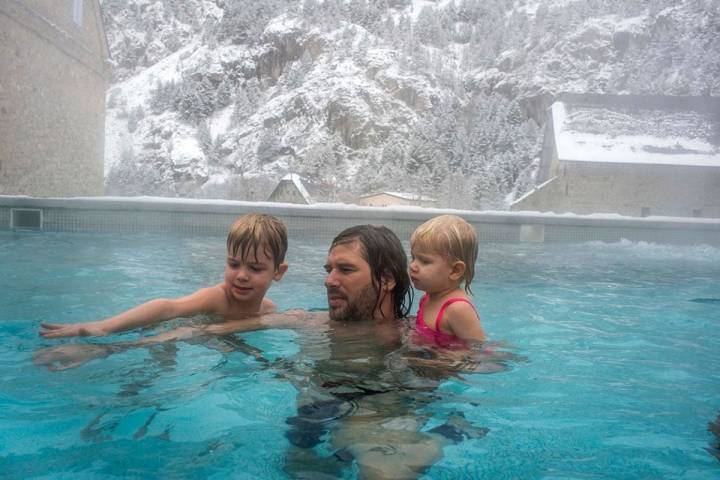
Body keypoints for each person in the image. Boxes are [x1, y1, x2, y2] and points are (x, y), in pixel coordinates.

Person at [35, 224, 492, 479]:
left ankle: (444, 434)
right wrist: (102, 348)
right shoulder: (304, 319)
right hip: (312, 413)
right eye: (328, 268)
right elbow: (196, 329)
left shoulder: (413, 335)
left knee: (383, 475)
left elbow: (480, 361)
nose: (329, 279)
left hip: (379, 409)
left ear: (387, 279)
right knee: (301, 471)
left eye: (345, 270)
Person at [39, 213, 288, 338]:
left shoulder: (268, 310)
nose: (241, 276)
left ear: (278, 272)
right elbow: (168, 307)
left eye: (255, 269)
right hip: (163, 336)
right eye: (234, 264)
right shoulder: (217, 298)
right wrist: (103, 327)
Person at [409, 214, 486, 347]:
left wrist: (447, 361)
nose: (412, 266)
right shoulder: (427, 298)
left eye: (424, 261)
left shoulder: (457, 309)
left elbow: (477, 352)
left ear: (455, 270)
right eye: (413, 257)